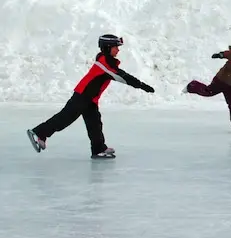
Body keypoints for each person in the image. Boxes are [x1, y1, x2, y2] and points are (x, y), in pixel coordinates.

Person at [26, 34, 155, 159]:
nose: (118, 50)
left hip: (91, 98)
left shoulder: (106, 61)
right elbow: (122, 77)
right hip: (83, 96)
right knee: (65, 118)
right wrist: (142, 85)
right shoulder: (104, 64)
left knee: (95, 124)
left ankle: (98, 149)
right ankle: (39, 132)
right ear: (108, 47)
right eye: (116, 47)